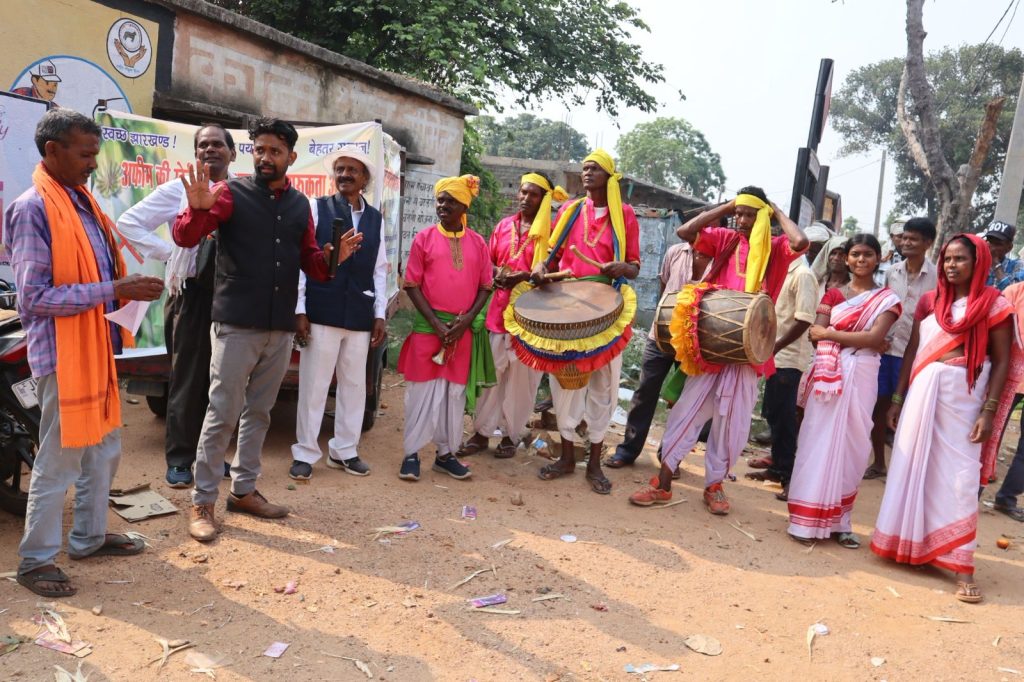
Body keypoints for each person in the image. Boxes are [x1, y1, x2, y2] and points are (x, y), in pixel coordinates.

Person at [173, 117, 360, 542]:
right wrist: (196, 209)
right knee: (222, 413)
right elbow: (185, 237)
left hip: (279, 327)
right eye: (259, 150)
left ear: (291, 156)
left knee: (258, 413)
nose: (265, 157)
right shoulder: (229, 193)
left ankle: (243, 491)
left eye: (275, 151)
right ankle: (203, 501)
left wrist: (334, 259)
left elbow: (311, 263)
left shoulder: (299, 205)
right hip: (236, 324)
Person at [5, 109, 164, 597]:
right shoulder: (33, 208)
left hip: (96, 348)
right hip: (64, 356)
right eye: (85, 154)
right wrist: (116, 288)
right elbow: (34, 298)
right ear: (53, 151)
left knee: (104, 451)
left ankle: (89, 538)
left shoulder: (82, 203)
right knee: (60, 460)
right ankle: (35, 561)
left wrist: (123, 291)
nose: (93, 163)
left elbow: (96, 276)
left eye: (96, 154)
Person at [629, 186, 808, 513]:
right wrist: (727, 206)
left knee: (731, 423)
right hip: (711, 343)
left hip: (747, 350)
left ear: (763, 217)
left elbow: (800, 242)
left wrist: (775, 210)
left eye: (749, 214)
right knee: (687, 411)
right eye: (739, 213)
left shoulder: (775, 248)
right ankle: (663, 483)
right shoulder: (726, 239)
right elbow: (685, 232)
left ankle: (714, 486)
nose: (742, 220)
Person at [871, 234, 1012, 603]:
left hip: (964, 397)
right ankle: (910, 546)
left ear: (978, 262)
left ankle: (963, 566)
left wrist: (989, 410)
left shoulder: (994, 304)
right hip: (921, 392)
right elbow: (913, 351)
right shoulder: (930, 301)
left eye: (960, 259)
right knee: (912, 466)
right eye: (947, 258)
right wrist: (897, 399)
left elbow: (1002, 361)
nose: (951, 265)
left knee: (959, 477)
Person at [117, 123, 236, 488]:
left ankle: (211, 457)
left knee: (223, 383)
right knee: (188, 379)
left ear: (232, 153)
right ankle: (181, 460)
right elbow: (128, 222)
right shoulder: (176, 190)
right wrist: (174, 254)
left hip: (233, 296)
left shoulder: (241, 193)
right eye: (203, 145)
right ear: (195, 153)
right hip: (192, 295)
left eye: (217, 144)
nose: (210, 150)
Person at [530, 149, 641, 495]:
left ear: (609, 176)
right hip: (568, 310)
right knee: (564, 384)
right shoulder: (571, 209)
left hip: (607, 312)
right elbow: (552, 258)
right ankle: (566, 457)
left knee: (604, 388)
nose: (587, 173)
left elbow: (635, 266)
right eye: (585, 168)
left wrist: (621, 268)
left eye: (594, 169)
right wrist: (540, 270)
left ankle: (594, 463)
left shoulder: (625, 214)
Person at [786, 235, 901, 547]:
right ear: (847, 259)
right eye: (855, 254)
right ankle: (804, 520)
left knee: (854, 445)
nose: (861, 260)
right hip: (829, 373)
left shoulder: (887, 300)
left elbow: (873, 338)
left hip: (862, 374)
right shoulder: (833, 294)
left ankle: (841, 522)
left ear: (878, 259)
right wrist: (855, 338)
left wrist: (833, 334)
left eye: (868, 254)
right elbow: (815, 336)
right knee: (816, 441)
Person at [289, 145, 388, 480]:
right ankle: (305, 452)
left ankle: (345, 450)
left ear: (365, 179)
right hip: (322, 309)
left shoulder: (375, 218)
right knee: (314, 386)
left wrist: (379, 314)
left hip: (359, 313)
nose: (345, 175)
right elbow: (303, 263)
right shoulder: (317, 208)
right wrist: (300, 308)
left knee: (354, 386)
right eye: (340, 169)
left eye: (352, 170)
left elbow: (379, 269)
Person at [460, 173, 564, 459]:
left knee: (522, 382)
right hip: (498, 313)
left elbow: (557, 276)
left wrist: (525, 277)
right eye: (523, 192)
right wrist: (499, 274)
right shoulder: (504, 226)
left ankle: (511, 435)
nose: (525, 198)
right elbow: (489, 262)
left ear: (544, 200)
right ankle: (481, 433)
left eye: (533, 194)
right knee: (491, 376)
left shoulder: (554, 234)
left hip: (532, 319)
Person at [397, 175, 493, 482]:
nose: (443, 206)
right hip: (429, 328)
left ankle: (445, 454)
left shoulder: (478, 243)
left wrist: (466, 320)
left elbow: (486, 286)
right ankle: (411, 454)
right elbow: (411, 284)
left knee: (453, 394)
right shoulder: (423, 238)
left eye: (451, 201)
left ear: (464, 206)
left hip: (461, 330)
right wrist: (437, 324)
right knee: (420, 392)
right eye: (440, 200)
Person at [744, 224, 830, 497]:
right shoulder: (778, 271)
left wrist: (776, 346)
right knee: (773, 413)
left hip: (788, 357)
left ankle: (790, 476)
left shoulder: (803, 275)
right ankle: (778, 467)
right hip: (773, 354)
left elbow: (804, 320)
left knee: (784, 418)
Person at [603, 240, 705, 469]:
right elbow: (664, 287)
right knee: (645, 392)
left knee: (685, 400)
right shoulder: (676, 251)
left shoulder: (721, 258)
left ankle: (670, 457)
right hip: (660, 334)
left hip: (695, 342)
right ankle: (627, 451)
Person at [865, 217, 936, 480]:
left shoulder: (938, 277)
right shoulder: (891, 272)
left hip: (918, 355)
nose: (906, 242)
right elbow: (881, 307)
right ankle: (879, 462)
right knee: (879, 409)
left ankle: (907, 472)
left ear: (927, 243)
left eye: (913, 239)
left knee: (911, 413)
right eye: (904, 237)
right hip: (886, 351)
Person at [993, 280, 1024, 522]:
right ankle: (970, 493)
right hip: (1007, 376)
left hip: (1011, 377)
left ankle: (1007, 498)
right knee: (989, 437)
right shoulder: (1014, 292)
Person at [982, 220, 1024, 291]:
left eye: (997, 244)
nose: (991, 247)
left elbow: (1013, 294)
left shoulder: (1018, 266)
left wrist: (995, 265)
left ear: (1009, 247)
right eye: (989, 242)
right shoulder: (976, 263)